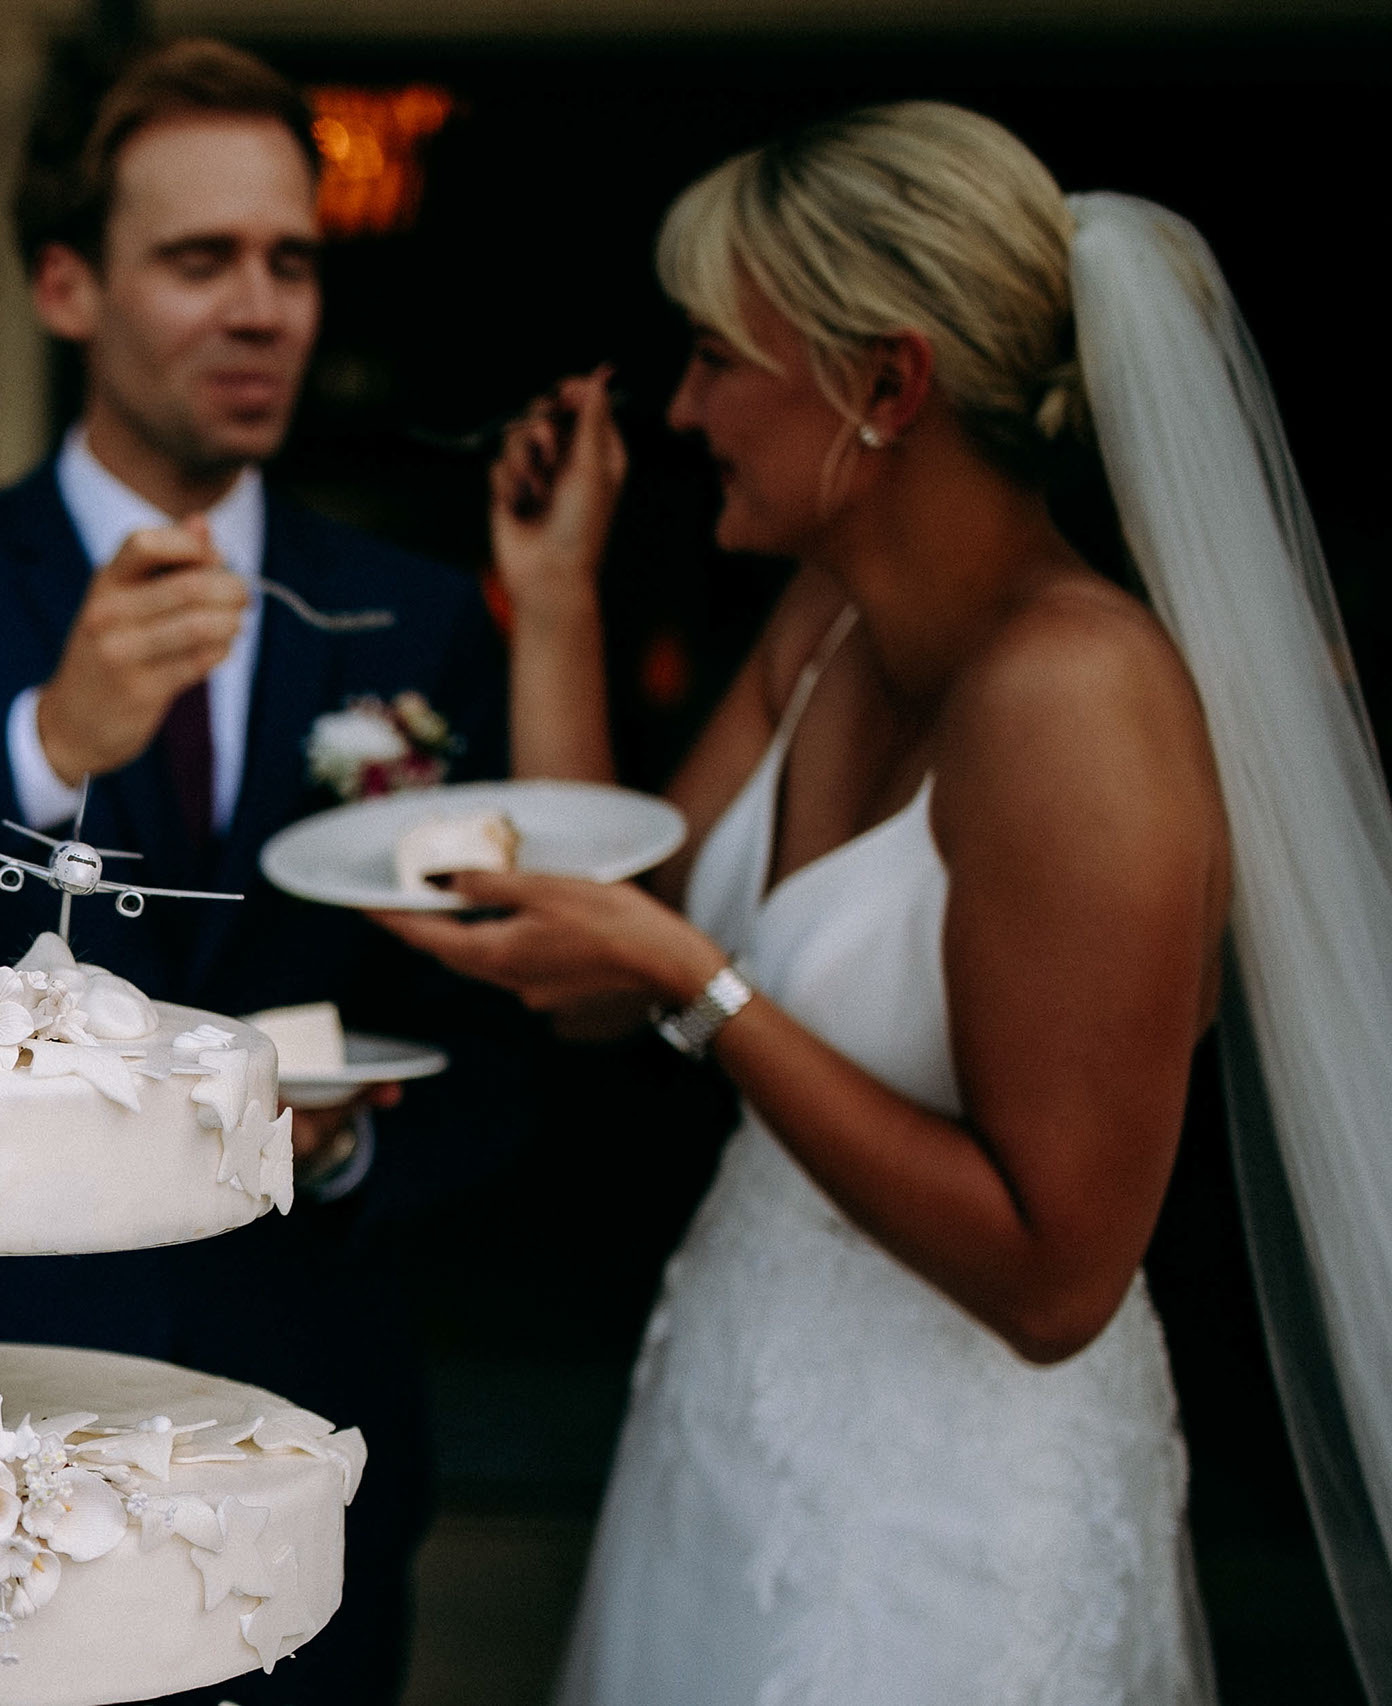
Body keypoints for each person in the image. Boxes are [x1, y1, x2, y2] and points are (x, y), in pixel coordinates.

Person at [379, 100, 1392, 1698]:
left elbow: (1057, 1279)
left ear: (885, 385)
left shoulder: (1082, 700)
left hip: (951, 1504)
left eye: (718, 354)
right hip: (737, 1398)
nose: (690, 405)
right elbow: (593, 967)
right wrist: (557, 593)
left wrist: (703, 986)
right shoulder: (830, 618)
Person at [0, 38, 536, 1706]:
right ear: (68, 285)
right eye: (200, 259)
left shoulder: (412, 619)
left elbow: (498, 1036)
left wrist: (354, 1152)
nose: (262, 307)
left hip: (308, 1417)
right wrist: (48, 739)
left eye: (291, 260)